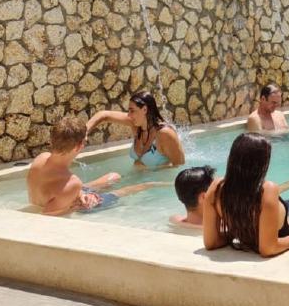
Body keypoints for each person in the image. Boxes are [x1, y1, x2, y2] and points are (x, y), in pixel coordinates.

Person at [202, 133, 289, 255]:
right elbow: (268, 248)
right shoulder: (266, 189)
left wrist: (240, 231)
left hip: (255, 242)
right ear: (260, 163)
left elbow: (211, 242)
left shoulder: (217, 188)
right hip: (288, 252)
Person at [28, 116, 163, 215]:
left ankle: (86, 193)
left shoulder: (41, 159)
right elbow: (45, 218)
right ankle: (152, 184)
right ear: (79, 146)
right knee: (120, 193)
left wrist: (79, 194)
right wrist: (75, 205)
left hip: (61, 196)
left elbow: (56, 190)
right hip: (71, 208)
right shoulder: (72, 183)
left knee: (113, 176)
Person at [86, 90, 185, 169]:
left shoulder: (164, 134)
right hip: (137, 180)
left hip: (153, 185)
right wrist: (84, 132)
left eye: (132, 111)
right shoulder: (136, 125)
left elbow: (179, 166)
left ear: (145, 110)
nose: (129, 115)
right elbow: (104, 115)